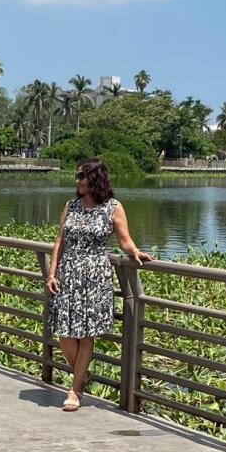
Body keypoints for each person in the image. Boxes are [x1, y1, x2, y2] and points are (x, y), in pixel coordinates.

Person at [45, 157, 154, 412]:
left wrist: (135, 252)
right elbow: (59, 240)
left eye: (82, 176)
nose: (78, 181)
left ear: (95, 179)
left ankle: (75, 389)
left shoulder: (113, 207)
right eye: (77, 176)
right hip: (68, 272)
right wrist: (51, 274)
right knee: (64, 332)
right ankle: (81, 374)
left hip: (95, 275)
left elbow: (124, 240)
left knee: (85, 333)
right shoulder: (70, 205)